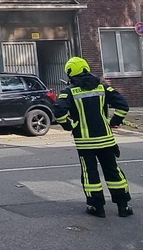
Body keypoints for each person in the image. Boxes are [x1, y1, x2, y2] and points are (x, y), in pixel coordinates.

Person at [55, 57, 132, 218]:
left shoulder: (68, 92)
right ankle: (123, 206)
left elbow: (59, 113)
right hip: (106, 139)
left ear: (70, 73)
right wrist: (113, 122)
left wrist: (69, 125)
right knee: (113, 171)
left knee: (90, 173)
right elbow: (123, 106)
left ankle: (97, 207)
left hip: (85, 142)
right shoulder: (103, 88)